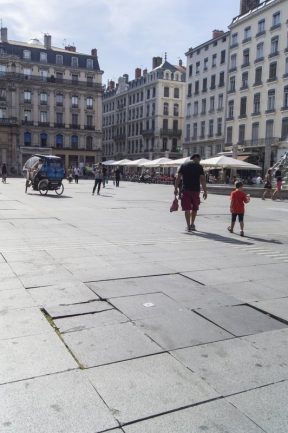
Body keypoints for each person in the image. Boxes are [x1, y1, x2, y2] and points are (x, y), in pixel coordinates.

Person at [174, 154, 207, 232]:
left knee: (187, 208)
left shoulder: (183, 165)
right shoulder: (199, 167)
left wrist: (175, 188)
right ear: (196, 158)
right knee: (195, 208)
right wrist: (205, 191)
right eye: (199, 159)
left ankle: (188, 226)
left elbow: (178, 178)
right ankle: (192, 224)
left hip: (186, 190)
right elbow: (202, 179)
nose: (199, 161)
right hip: (196, 190)